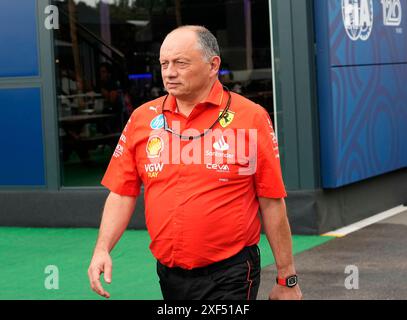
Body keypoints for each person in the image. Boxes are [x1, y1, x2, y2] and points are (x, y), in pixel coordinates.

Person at [87, 25, 302, 300]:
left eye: (180, 63)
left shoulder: (250, 118)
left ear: (213, 65)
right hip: (169, 274)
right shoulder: (142, 119)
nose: (169, 72)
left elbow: (271, 200)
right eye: (164, 63)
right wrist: (102, 248)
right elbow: (121, 192)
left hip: (231, 273)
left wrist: (287, 278)